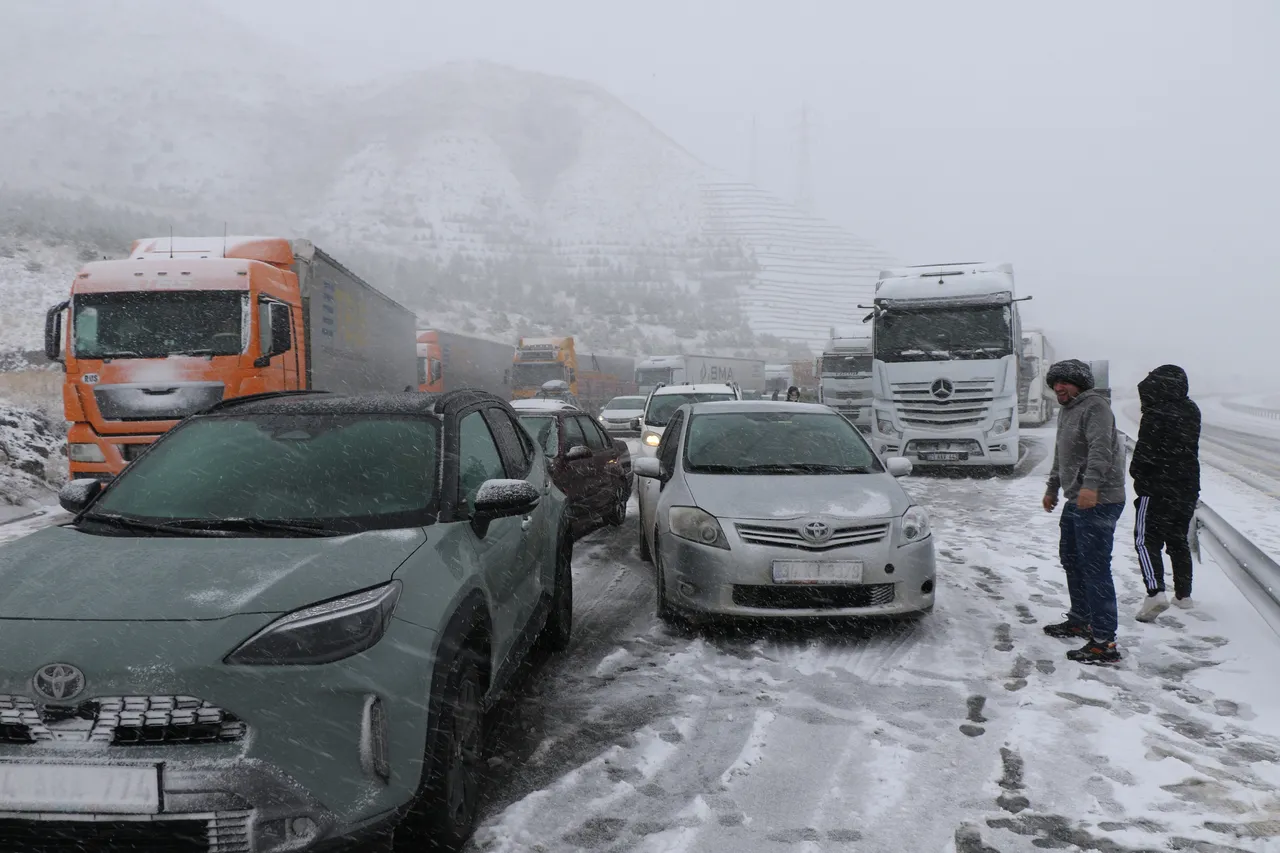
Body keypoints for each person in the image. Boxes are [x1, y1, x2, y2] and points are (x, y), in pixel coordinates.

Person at [1041, 359, 1128, 664]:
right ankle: (1082, 619)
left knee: (1094, 568)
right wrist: (1053, 487)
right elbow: (1061, 454)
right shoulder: (1067, 410)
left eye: (1064, 382)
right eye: (1055, 383)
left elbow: (1101, 449)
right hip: (1076, 499)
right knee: (1072, 560)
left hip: (1099, 500)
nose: (1058, 388)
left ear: (1079, 383)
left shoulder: (1095, 406)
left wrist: (1091, 486)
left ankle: (1104, 642)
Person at [1131, 365, 1201, 621]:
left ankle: (1154, 592)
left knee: (1145, 540)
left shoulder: (1155, 412)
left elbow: (1145, 452)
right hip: (1187, 486)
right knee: (1177, 540)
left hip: (1156, 487)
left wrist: (1137, 473)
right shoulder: (1191, 409)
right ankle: (1183, 595)